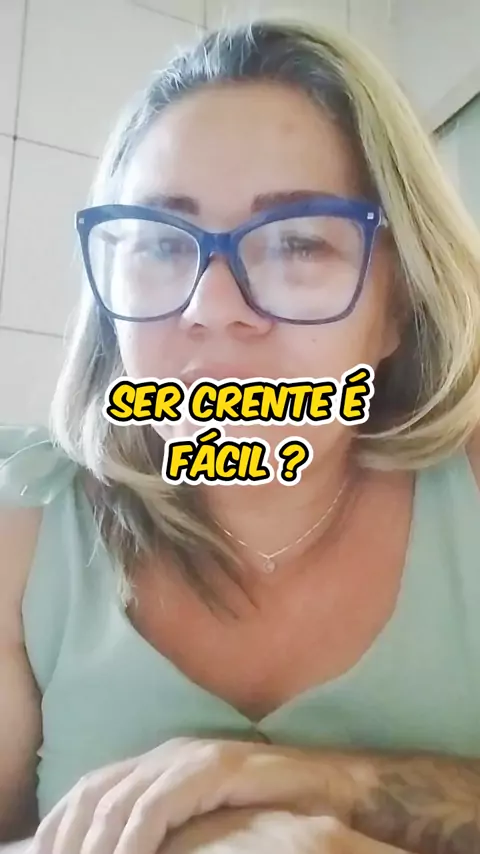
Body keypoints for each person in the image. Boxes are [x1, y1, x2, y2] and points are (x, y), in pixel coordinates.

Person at [1, 17, 480, 854]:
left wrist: (327, 785)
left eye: (296, 243)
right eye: (160, 242)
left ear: (398, 306)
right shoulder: (25, 530)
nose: (210, 308)